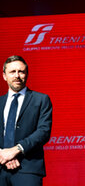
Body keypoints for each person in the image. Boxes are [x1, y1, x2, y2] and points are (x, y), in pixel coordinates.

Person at [0, 55, 53, 186]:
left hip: (28, 169)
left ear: (27, 74)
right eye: (12, 72)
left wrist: (15, 150)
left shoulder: (41, 100)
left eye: (21, 71)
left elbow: (43, 132)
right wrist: (2, 154)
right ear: (4, 76)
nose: (17, 75)